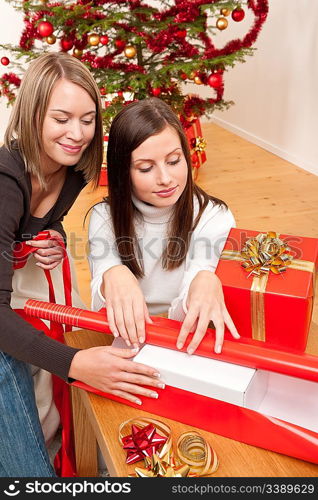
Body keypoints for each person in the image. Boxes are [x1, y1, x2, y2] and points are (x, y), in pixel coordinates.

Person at [0, 52, 162, 478]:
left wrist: (50, 236)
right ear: (33, 115)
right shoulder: (5, 180)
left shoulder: (71, 173)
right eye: (62, 118)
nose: (77, 134)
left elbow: (43, 222)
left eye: (87, 119)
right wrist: (74, 365)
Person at [88, 98, 240, 358]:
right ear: (123, 172)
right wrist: (109, 274)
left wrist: (203, 278)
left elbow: (188, 317)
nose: (166, 179)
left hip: (191, 343)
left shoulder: (215, 216)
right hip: (127, 338)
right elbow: (102, 306)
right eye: (146, 168)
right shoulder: (104, 217)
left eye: (173, 161)